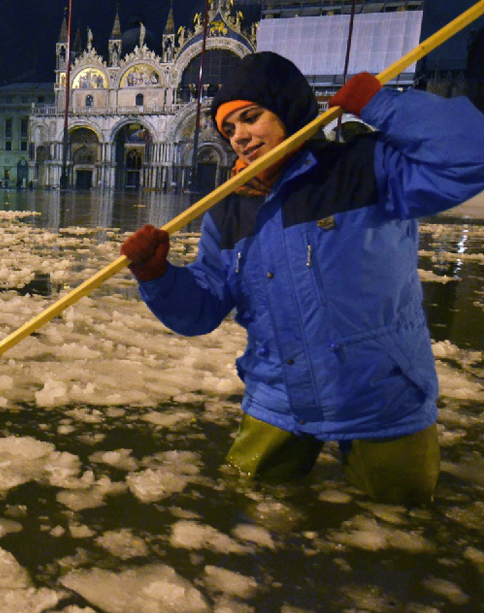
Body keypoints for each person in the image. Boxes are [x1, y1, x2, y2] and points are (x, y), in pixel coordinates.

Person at [119, 52, 484, 504]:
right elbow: (202, 309)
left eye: (251, 118)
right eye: (228, 129)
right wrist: (157, 276)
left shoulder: (366, 169)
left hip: (383, 398)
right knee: (252, 512)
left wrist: (383, 106)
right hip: (279, 399)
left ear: (289, 110)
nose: (239, 138)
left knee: (400, 528)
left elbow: (473, 155)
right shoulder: (229, 209)